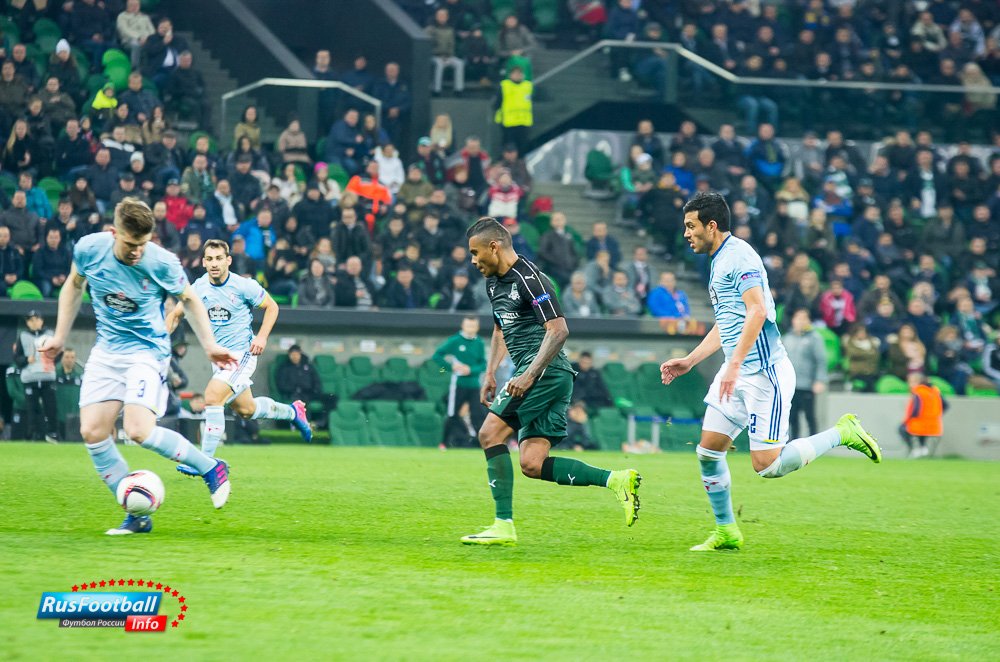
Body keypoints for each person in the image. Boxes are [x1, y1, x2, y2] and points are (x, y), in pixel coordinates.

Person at [660, 192, 881, 552]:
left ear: (711, 226)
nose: (686, 233)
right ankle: (726, 530)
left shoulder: (740, 257)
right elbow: (728, 322)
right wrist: (692, 359)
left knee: (767, 466)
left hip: (765, 374)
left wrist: (733, 365)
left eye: (690, 225)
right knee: (708, 451)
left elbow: (758, 311)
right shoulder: (719, 259)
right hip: (735, 373)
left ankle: (842, 433)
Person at [38, 198, 237, 535]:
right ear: (113, 232)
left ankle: (210, 468)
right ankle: (137, 515)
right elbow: (73, 285)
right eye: (131, 244)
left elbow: (189, 299)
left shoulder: (162, 262)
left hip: (148, 351)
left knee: (138, 430)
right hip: (107, 351)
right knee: (93, 433)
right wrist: (59, 336)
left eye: (143, 244)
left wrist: (210, 346)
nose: (137, 252)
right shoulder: (89, 249)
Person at [460, 217, 640, 546]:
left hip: (544, 372)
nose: (473, 260)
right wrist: (490, 372)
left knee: (489, 434)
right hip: (540, 374)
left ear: (494, 247)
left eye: (475, 252)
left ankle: (503, 525)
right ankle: (616, 480)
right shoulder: (493, 283)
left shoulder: (531, 279)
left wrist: (529, 375)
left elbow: (559, 330)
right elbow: (500, 328)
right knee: (532, 464)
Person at [165, 239, 312, 476]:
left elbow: (272, 307)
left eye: (219, 258)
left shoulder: (244, 286)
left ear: (228, 260)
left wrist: (261, 337)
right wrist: (159, 341)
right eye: (209, 259)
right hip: (219, 360)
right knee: (246, 409)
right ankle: (293, 412)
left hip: (241, 355)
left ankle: (205, 463)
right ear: (204, 262)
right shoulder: (199, 287)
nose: (214, 263)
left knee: (212, 397)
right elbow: (175, 316)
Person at [433, 316, 487, 448]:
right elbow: (437, 356)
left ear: (477, 327)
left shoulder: (479, 342)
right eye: (468, 326)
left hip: (475, 385)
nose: (470, 329)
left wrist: (471, 370)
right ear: (463, 326)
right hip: (458, 384)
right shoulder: (455, 340)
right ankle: (444, 443)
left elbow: (483, 364)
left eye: (473, 326)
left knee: (478, 414)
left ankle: (481, 444)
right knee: (452, 414)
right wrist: (450, 367)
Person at [783, 309, 827, 439]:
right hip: (790, 385)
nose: (801, 321)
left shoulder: (815, 338)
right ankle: (793, 443)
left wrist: (820, 380)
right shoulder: (786, 338)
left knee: (810, 417)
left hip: (807, 385)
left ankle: (814, 444)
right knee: (791, 417)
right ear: (793, 320)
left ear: (809, 321)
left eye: (804, 318)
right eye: (798, 318)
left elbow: (821, 360)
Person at [14, 310, 58, 442]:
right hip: (30, 378)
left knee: (51, 408)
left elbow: (59, 352)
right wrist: (26, 360)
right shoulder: (23, 336)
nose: (33, 322)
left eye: (36, 319)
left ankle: (52, 433)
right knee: (31, 409)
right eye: (30, 320)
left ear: (42, 321)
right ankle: (32, 434)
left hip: (47, 377)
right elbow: (17, 357)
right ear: (27, 323)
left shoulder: (50, 334)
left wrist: (52, 359)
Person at [900, 372, 947, 458]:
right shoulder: (935, 391)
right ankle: (923, 448)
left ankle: (914, 449)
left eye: (912, 382)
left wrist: (909, 419)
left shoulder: (919, 391)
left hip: (920, 423)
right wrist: (936, 414)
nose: (910, 384)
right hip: (935, 425)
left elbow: (916, 409)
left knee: (902, 428)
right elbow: (945, 405)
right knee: (922, 432)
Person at [493, 66, 532, 156]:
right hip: (508, 122)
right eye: (515, 73)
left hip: (524, 122)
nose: (518, 75)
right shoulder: (505, 86)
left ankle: (521, 162)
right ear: (510, 75)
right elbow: (497, 103)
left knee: (523, 145)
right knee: (508, 146)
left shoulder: (528, 86)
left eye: (519, 73)